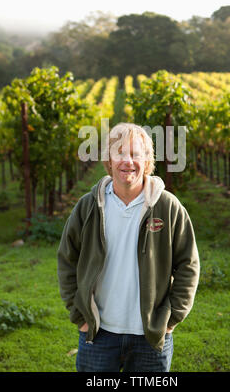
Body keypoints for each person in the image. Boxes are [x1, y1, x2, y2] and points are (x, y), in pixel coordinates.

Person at [57, 122, 200, 372]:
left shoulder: (168, 207)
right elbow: (67, 259)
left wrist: (171, 319)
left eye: (135, 153)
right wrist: (79, 315)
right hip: (99, 334)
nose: (128, 161)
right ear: (109, 160)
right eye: (120, 153)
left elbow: (189, 264)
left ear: (147, 160)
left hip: (151, 336)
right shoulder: (88, 206)